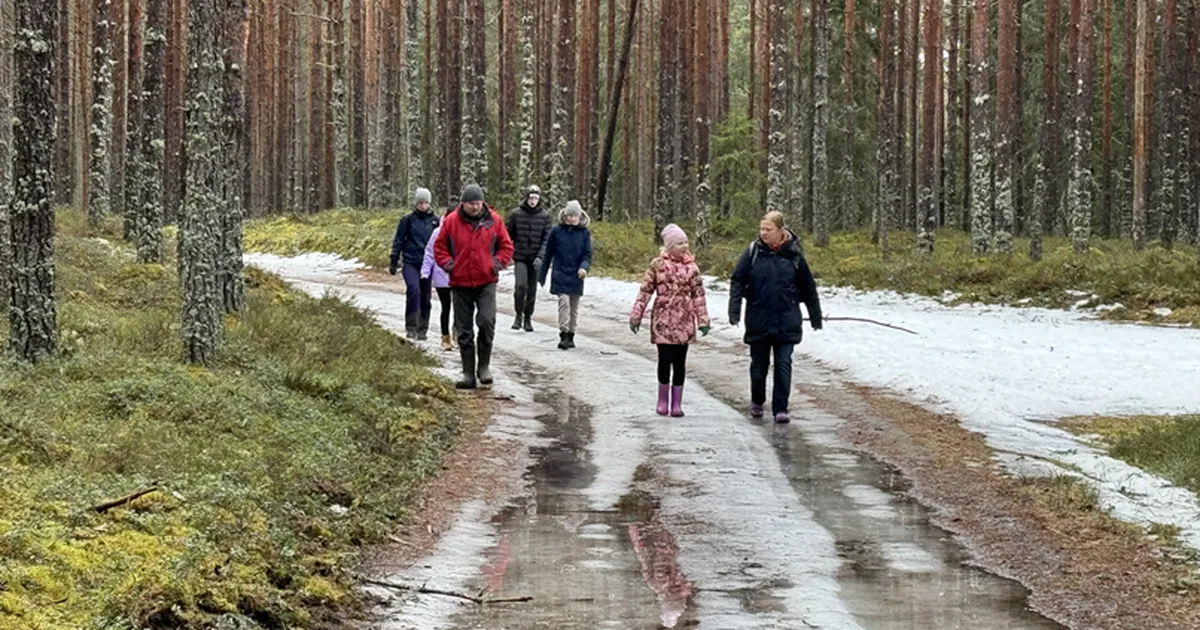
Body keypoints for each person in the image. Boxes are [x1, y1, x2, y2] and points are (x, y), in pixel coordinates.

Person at [728, 211, 823, 424]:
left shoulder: (795, 255)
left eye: (768, 230)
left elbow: (808, 288)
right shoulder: (753, 252)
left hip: (786, 320)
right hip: (758, 319)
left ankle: (781, 407)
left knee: (783, 364)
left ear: (781, 231)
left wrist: (815, 316)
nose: (763, 233)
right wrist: (734, 310)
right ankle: (757, 401)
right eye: (761, 229)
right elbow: (737, 280)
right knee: (759, 367)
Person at [434, 184, 515, 390]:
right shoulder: (451, 222)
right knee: (464, 329)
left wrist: (496, 264)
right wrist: (449, 265)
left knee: (487, 322)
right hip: (460, 282)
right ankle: (468, 372)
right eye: (472, 203)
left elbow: (506, 246)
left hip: (486, 280)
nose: (476, 207)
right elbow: (439, 247)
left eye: (478, 203)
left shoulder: (494, 221)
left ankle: (484, 367)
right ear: (463, 203)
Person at [629, 224, 710, 417]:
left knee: (680, 362)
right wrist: (636, 315)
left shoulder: (692, 268)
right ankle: (662, 399)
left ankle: (677, 403)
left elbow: (699, 296)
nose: (684, 246)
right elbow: (645, 291)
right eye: (680, 243)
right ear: (670, 245)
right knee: (665, 360)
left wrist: (703, 320)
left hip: (684, 319)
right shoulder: (658, 265)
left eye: (686, 242)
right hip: (663, 320)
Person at [537, 200, 593, 350]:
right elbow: (548, 254)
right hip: (560, 273)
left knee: (574, 308)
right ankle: (563, 333)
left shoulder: (584, 233)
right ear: (565, 216)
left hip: (577, 275)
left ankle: (571, 334)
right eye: (569, 216)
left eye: (575, 216)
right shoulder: (556, 232)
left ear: (580, 216)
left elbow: (587, 255)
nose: (572, 219)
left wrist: (584, 268)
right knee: (564, 304)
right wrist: (542, 274)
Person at [389, 188, 440, 340]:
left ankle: (423, 327)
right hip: (411, 261)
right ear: (416, 204)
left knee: (425, 295)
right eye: (420, 203)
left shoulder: (435, 221)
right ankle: (411, 325)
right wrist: (394, 259)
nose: (423, 206)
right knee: (414, 290)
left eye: (425, 203)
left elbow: (441, 241)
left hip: (427, 263)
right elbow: (399, 240)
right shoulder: (408, 220)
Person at [506, 185, 552, 332]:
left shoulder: (545, 216)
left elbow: (547, 239)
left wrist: (541, 256)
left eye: (536, 198)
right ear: (526, 198)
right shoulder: (516, 214)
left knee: (532, 289)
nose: (533, 201)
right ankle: (518, 314)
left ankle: (528, 317)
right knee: (520, 286)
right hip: (520, 256)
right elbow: (507, 236)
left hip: (535, 258)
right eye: (531, 197)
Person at [421, 222, 455, 351]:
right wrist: (425, 271)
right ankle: (445, 336)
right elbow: (430, 253)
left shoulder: (465, 230)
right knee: (446, 306)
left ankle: (457, 334)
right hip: (441, 275)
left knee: (460, 307)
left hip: (460, 275)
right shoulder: (437, 232)